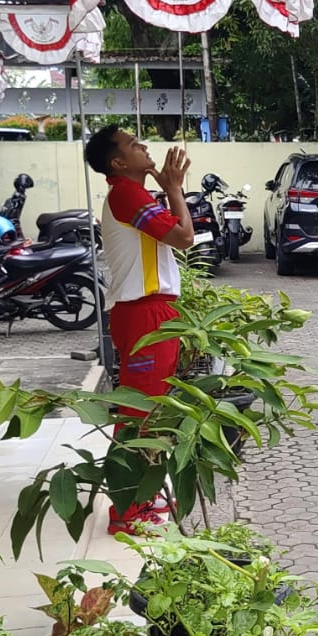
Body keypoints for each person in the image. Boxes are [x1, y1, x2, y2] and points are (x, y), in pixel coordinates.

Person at [83, 125, 196, 534]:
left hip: (150, 311)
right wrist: (174, 188)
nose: (144, 146)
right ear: (118, 163)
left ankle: (141, 498)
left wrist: (167, 190)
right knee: (138, 414)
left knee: (149, 410)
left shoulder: (132, 194)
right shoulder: (127, 194)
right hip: (144, 313)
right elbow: (184, 237)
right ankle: (126, 511)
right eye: (134, 144)